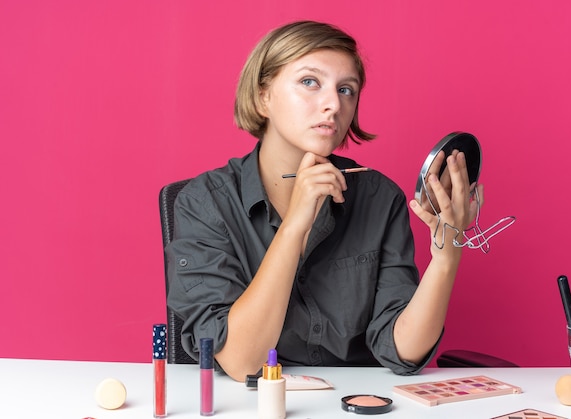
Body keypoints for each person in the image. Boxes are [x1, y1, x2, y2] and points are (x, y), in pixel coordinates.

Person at [166, 20, 482, 382]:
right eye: (309, 82)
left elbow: (401, 350)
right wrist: (296, 223)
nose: (333, 104)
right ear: (262, 96)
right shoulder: (204, 202)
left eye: (346, 89)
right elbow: (243, 363)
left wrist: (445, 259)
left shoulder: (379, 198)